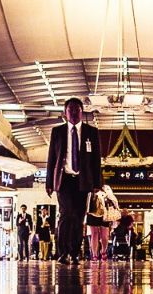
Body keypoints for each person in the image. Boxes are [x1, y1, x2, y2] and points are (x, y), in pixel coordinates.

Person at [46, 99, 101, 264]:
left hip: (83, 181)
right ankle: (62, 252)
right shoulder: (57, 131)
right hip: (64, 180)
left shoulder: (91, 132)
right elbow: (51, 158)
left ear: (82, 112)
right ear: (65, 113)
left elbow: (96, 159)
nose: (74, 113)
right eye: (70, 110)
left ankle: (75, 252)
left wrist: (97, 182)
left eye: (77, 109)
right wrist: (49, 182)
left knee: (78, 217)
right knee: (65, 214)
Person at [87, 182, 121, 263]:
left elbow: (113, 199)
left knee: (104, 236)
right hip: (92, 211)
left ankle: (103, 251)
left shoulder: (106, 188)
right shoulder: (89, 187)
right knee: (94, 234)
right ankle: (94, 254)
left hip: (104, 213)